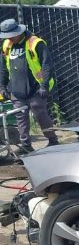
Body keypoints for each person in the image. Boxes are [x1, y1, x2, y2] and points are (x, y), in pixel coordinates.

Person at [0, 18, 59, 152]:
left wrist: (44, 85)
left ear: (18, 31)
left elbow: (47, 65)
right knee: (21, 117)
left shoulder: (35, 43)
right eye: (7, 36)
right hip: (17, 89)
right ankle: (26, 146)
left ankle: (53, 141)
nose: (9, 38)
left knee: (40, 113)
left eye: (11, 35)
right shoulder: (7, 45)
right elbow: (3, 68)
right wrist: (2, 87)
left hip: (36, 88)